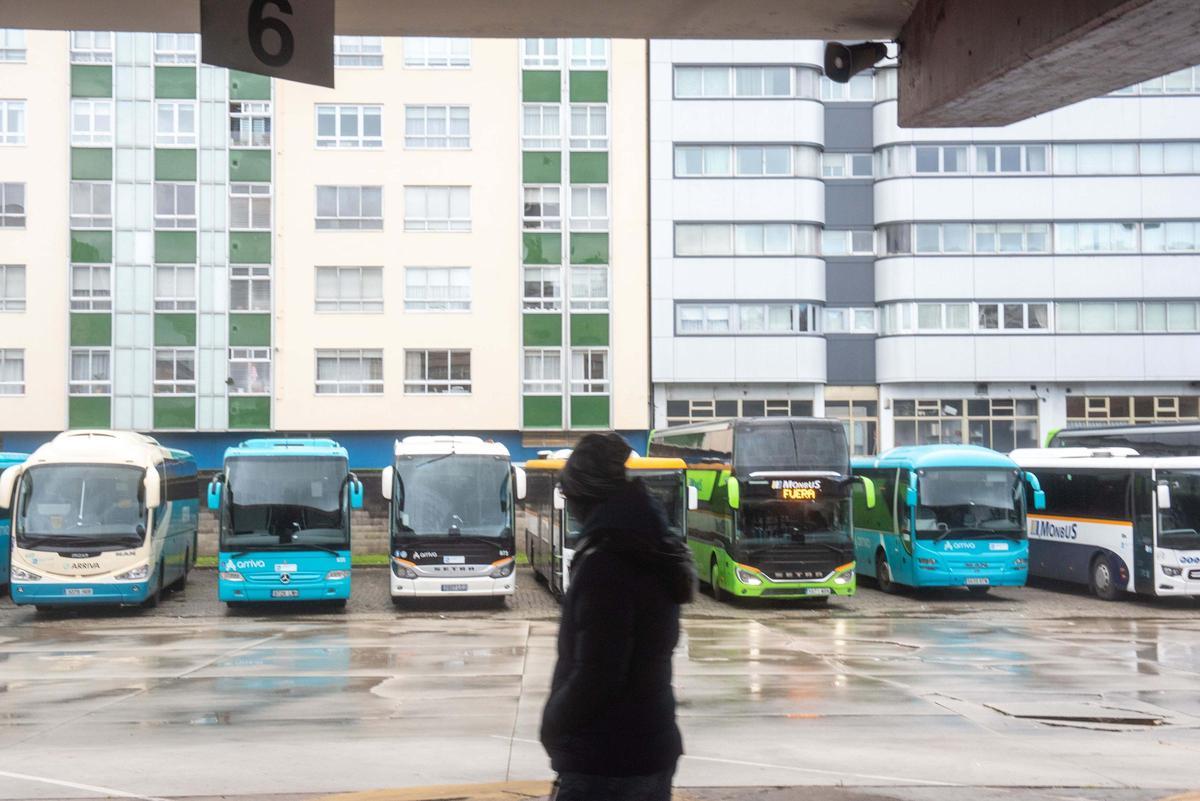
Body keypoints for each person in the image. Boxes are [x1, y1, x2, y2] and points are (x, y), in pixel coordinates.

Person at [540, 433, 697, 801]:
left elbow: (599, 672)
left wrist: (554, 724)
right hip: (648, 746)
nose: (572, 508)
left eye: (571, 497)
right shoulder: (650, 545)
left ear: (586, 496)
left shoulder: (608, 563)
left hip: (605, 757)